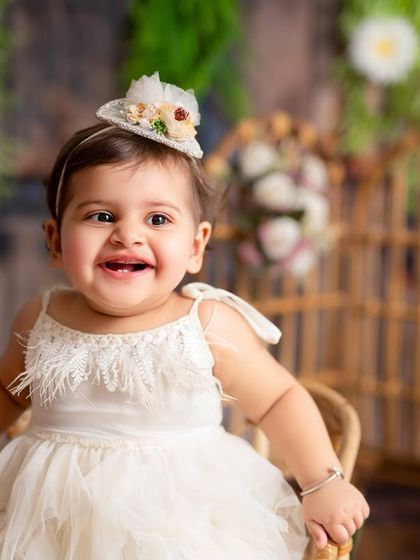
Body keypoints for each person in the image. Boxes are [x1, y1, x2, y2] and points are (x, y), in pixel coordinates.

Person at [0, 72, 368, 559]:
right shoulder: (40, 316)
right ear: (53, 240)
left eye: (158, 219)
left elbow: (279, 399)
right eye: (101, 216)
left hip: (179, 517)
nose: (127, 236)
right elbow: (8, 392)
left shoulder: (205, 322)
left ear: (195, 247)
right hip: (49, 516)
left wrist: (322, 481)